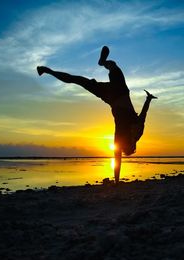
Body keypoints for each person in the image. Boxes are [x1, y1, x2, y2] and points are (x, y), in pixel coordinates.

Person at [37, 46, 157, 184]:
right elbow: (144, 114)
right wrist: (148, 99)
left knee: (78, 80)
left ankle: (46, 71)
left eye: (127, 145)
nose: (129, 142)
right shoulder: (139, 131)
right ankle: (103, 62)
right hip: (121, 90)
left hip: (110, 96)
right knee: (113, 65)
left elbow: (117, 159)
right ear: (133, 144)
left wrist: (117, 182)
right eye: (131, 144)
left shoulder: (120, 136)